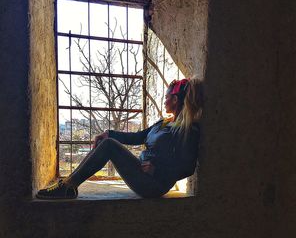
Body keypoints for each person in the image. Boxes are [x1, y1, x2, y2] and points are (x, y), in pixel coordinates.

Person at [36, 78, 204, 199]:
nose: (164, 101)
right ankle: (68, 184)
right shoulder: (164, 122)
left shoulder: (189, 129)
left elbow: (187, 167)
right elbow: (139, 137)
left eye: (167, 97)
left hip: (153, 184)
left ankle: (67, 187)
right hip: (142, 172)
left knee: (109, 145)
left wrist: (157, 170)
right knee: (106, 140)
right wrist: (109, 133)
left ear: (175, 100)